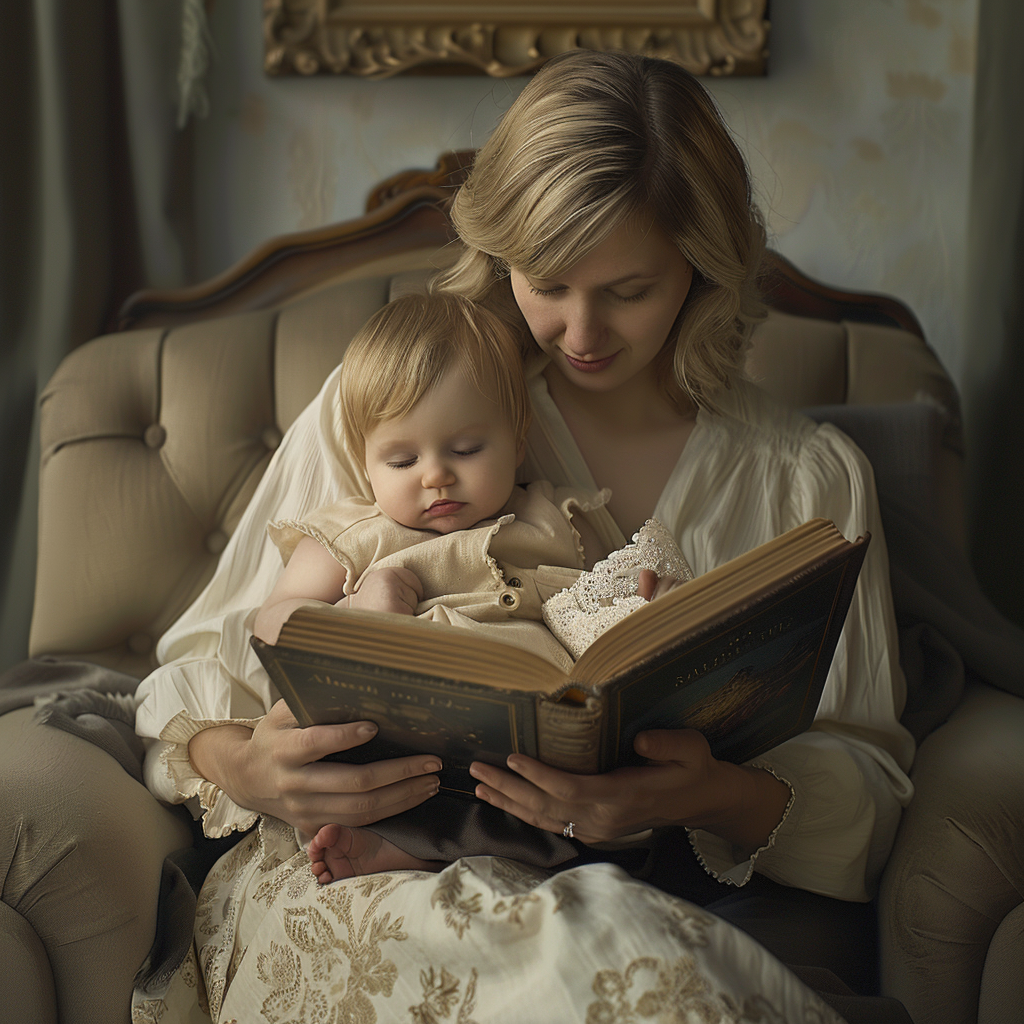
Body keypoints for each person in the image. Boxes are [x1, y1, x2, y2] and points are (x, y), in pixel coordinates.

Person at [0, 48, 914, 1021]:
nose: (579, 328)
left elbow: (863, 780)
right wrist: (247, 765)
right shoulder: (399, 414)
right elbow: (196, 678)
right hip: (355, 879)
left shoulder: (802, 478)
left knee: (645, 983)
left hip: (628, 888)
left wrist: (702, 794)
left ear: (702, 266)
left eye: (629, 288)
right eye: (546, 279)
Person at [252, 289, 689, 883]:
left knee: (593, 810)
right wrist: (356, 609)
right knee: (379, 777)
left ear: (517, 436)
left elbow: (599, 597)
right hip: (407, 748)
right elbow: (272, 622)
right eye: (402, 461)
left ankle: (450, 850)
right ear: (364, 461)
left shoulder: (558, 517)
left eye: (466, 449)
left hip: (536, 754)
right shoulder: (358, 535)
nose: (436, 475)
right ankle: (395, 845)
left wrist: (643, 606)